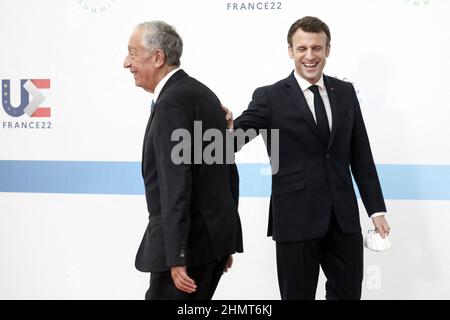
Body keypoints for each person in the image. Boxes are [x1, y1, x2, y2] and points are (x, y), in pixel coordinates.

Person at [229, 16, 390, 300]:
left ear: (328, 49)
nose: (310, 56)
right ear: (290, 51)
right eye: (302, 48)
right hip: (295, 219)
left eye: (317, 48)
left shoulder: (345, 92)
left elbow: (361, 154)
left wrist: (375, 210)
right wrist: (216, 125)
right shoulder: (270, 97)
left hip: (343, 219)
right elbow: (233, 140)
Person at [124, 21, 243, 300]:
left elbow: (176, 182)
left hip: (187, 249)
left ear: (157, 57)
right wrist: (223, 243)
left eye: (132, 53)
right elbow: (226, 172)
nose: (126, 63)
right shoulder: (203, 94)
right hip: (210, 243)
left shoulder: (172, 102)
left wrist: (175, 255)